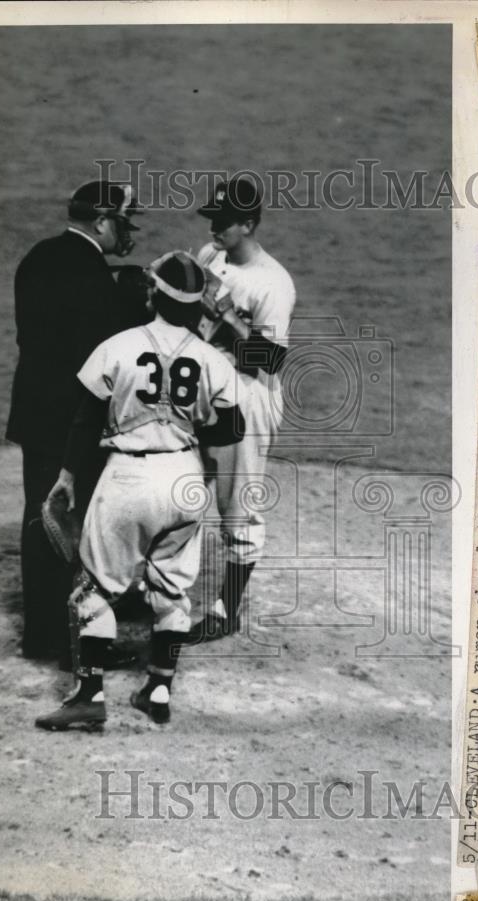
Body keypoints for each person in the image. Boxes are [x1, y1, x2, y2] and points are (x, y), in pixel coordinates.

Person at [35, 252, 244, 731]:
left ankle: (88, 696)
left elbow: (85, 420)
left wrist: (67, 477)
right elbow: (233, 428)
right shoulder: (211, 358)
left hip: (128, 479)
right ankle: (159, 688)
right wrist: (188, 428)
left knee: (93, 588)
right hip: (186, 481)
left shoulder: (119, 346)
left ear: (154, 295)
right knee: (172, 587)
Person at [6, 180, 145, 661]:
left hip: (35, 413)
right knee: (80, 524)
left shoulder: (38, 256)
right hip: (74, 422)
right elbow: (106, 354)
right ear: (101, 221)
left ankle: (43, 632)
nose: (126, 232)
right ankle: (71, 640)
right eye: (122, 222)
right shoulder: (94, 278)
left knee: (42, 517)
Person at [187, 176, 296, 641]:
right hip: (203, 391)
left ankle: (226, 610)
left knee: (237, 510)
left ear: (248, 224)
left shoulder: (273, 283)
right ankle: (156, 586)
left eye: (225, 221)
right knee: (178, 491)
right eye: (212, 218)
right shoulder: (208, 255)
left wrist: (228, 316)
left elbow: (270, 359)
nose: (214, 227)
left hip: (249, 399)